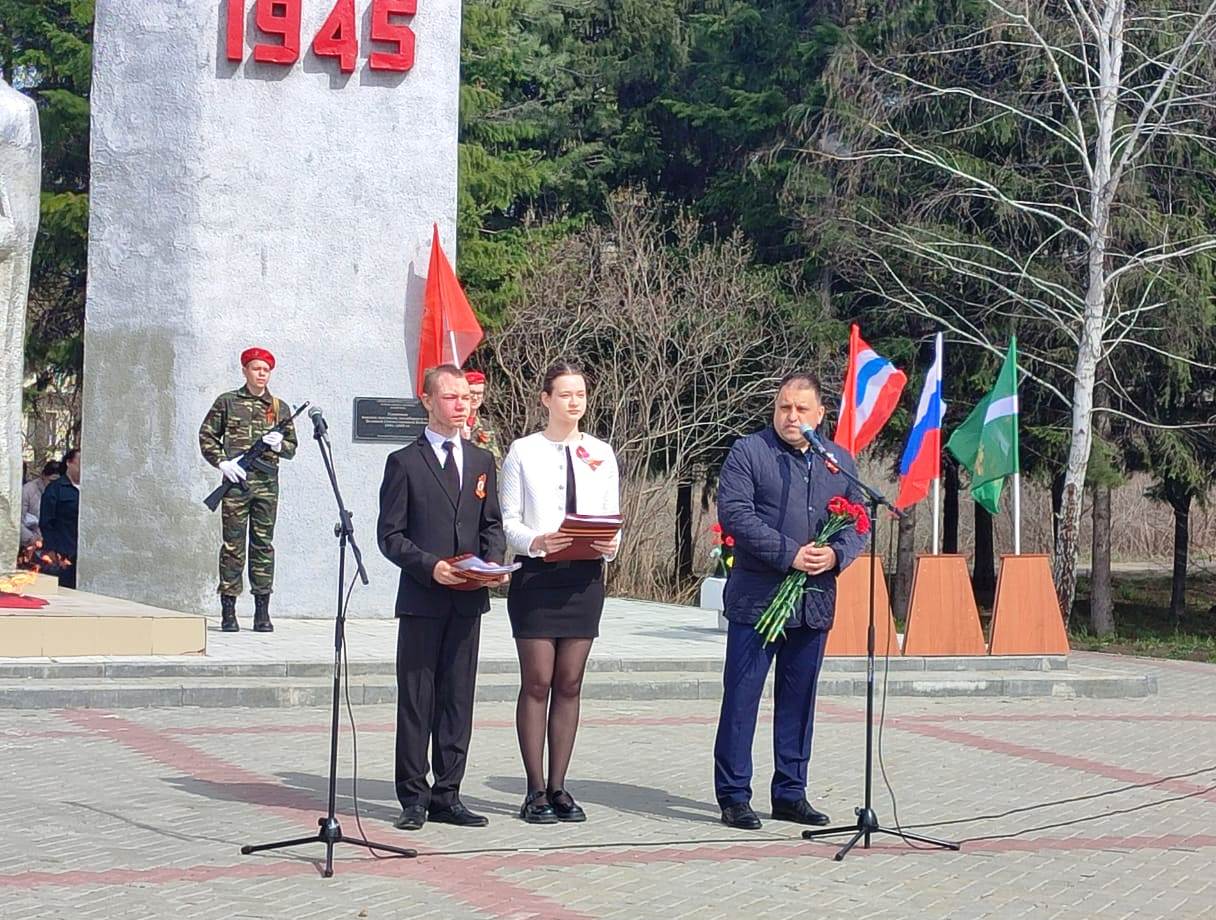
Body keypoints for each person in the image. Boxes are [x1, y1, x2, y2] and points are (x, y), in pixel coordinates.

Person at [712, 371, 866, 830]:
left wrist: (836, 555)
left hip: (813, 601)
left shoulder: (838, 462)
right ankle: (734, 794)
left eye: (801, 409)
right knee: (742, 698)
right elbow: (735, 514)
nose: (791, 416)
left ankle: (790, 791)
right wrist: (789, 554)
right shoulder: (749, 452)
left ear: (820, 415)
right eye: (784, 407)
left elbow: (860, 521)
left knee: (799, 701)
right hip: (758, 600)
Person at [377, 364, 507, 832]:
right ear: (428, 401)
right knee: (418, 699)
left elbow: (490, 523)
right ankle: (413, 795)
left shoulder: (480, 460)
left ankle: (448, 794)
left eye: (467, 398)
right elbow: (389, 536)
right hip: (423, 598)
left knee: (457, 699)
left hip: (468, 600)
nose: (461, 405)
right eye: (451, 397)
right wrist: (431, 566)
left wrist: (491, 564)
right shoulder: (404, 462)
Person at [499, 361, 620, 824]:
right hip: (537, 578)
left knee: (570, 682)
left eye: (581, 394)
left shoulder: (601, 452)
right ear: (546, 399)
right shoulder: (523, 451)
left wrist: (611, 544)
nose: (575, 402)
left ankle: (559, 787)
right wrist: (536, 541)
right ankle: (533, 790)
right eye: (566, 394)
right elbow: (509, 520)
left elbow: (612, 513)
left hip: (584, 579)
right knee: (538, 681)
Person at [198, 347, 298, 633]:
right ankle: (228, 610)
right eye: (256, 369)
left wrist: (279, 444)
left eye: (266, 370)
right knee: (233, 547)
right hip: (236, 485)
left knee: (263, 546)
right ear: (245, 371)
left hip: (267, 486)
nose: (261, 374)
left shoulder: (280, 408)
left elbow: (292, 448)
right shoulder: (228, 402)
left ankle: (261, 611)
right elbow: (207, 435)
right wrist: (222, 462)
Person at [39, 449, 80, 588]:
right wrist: (51, 549)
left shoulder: (91, 489)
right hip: (64, 553)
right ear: (69, 463)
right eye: (80, 462)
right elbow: (46, 521)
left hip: (84, 554)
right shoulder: (55, 489)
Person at [461, 370, 502, 461]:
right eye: (471, 392)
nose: (475, 397)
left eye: (479, 393)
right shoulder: (452, 425)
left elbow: (496, 461)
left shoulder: (487, 425)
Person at [21, 460, 59, 548]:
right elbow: (18, 521)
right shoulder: (28, 490)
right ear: (43, 476)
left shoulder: (60, 491)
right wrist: (33, 539)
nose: (54, 485)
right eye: (51, 481)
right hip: (31, 542)